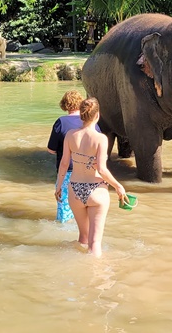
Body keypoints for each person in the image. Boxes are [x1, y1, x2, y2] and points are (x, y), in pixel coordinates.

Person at [55, 97, 127, 257]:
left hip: (74, 190)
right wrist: (118, 186)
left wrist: (59, 186)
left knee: (83, 238)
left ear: (81, 114)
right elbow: (101, 169)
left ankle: (80, 275)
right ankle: (96, 278)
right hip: (96, 191)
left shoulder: (70, 135)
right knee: (95, 244)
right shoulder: (101, 139)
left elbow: (64, 163)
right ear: (97, 115)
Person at [47, 90, 88, 223]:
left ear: (64, 104)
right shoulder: (89, 122)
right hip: (88, 173)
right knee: (84, 211)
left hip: (67, 172)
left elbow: (51, 149)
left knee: (64, 211)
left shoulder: (61, 122)